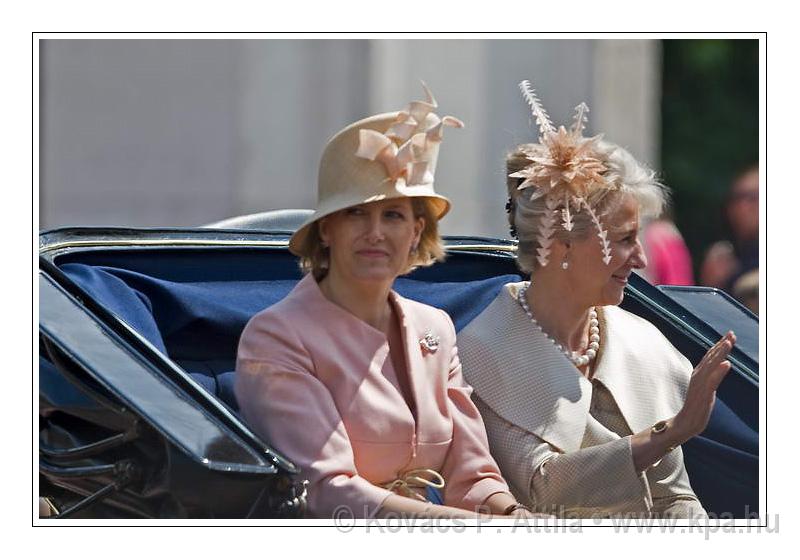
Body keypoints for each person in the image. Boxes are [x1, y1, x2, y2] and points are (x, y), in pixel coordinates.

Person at [235, 85, 526, 519]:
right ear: (326, 231)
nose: (375, 232)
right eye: (355, 214)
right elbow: (327, 492)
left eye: (393, 215)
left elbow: (473, 473)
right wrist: (470, 529)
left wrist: (514, 517)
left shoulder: (435, 328)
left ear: (415, 232)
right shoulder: (276, 336)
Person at [458, 80, 736, 518]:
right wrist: (668, 433)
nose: (642, 258)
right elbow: (543, 489)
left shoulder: (641, 341)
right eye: (625, 240)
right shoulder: (479, 351)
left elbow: (675, 498)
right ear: (564, 245)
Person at [700, 165, 759, 312]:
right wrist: (711, 286)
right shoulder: (729, 253)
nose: (742, 206)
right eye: (736, 198)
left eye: (752, 197)